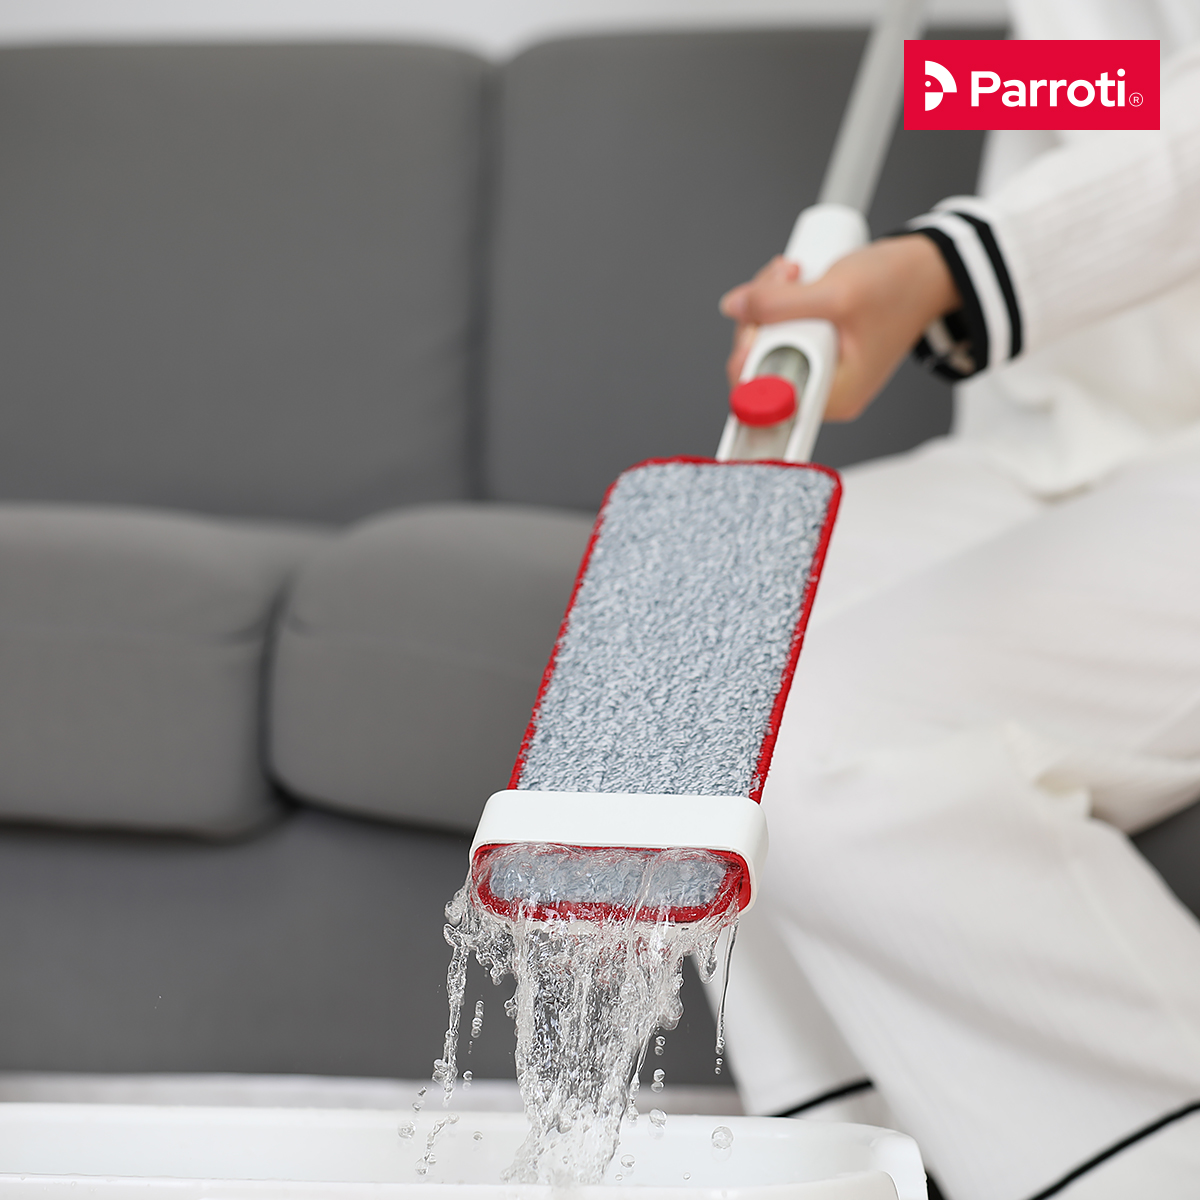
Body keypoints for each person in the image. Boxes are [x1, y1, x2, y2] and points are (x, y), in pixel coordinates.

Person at [710, 3, 1200, 1198]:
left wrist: (947, 268)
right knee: (691, 637)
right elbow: (1125, 81)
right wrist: (907, 262)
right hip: (1063, 434)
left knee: (822, 742)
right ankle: (860, 1163)